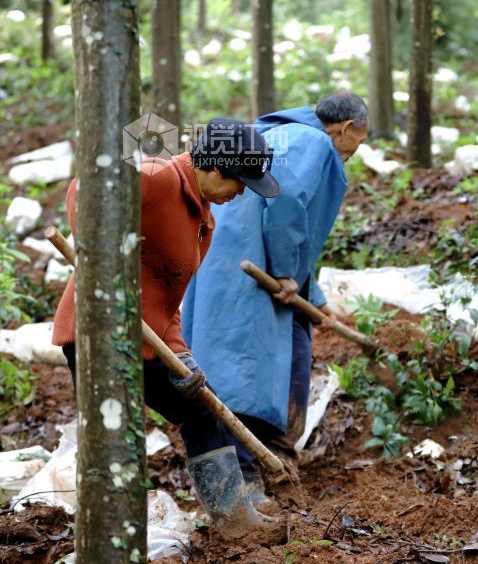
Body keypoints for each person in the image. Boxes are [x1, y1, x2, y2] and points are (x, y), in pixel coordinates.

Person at [52, 118, 278, 533]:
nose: (241, 192)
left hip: (151, 341)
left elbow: (167, 298)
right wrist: (98, 254)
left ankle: (233, 520)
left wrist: (183, 357)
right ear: (214, 168)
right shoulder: (156, 178)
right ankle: (112, 538)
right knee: (116, 439)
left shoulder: (202, 218)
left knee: (202, 409)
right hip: (100, 333)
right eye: (240, 182)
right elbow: (83, 191)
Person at [181, 91, 369, 474]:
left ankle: (269, 453)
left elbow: (296, 228)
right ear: (346, 128)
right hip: (257, 267)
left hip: (222, 259)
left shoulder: (274, 131)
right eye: (358, 143)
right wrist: (286, 273)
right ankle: (253, 466)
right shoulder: (314, 141)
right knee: (249, 369)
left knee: (230, 359)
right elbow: (286, 204)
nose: (354, 151)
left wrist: (312, 295)